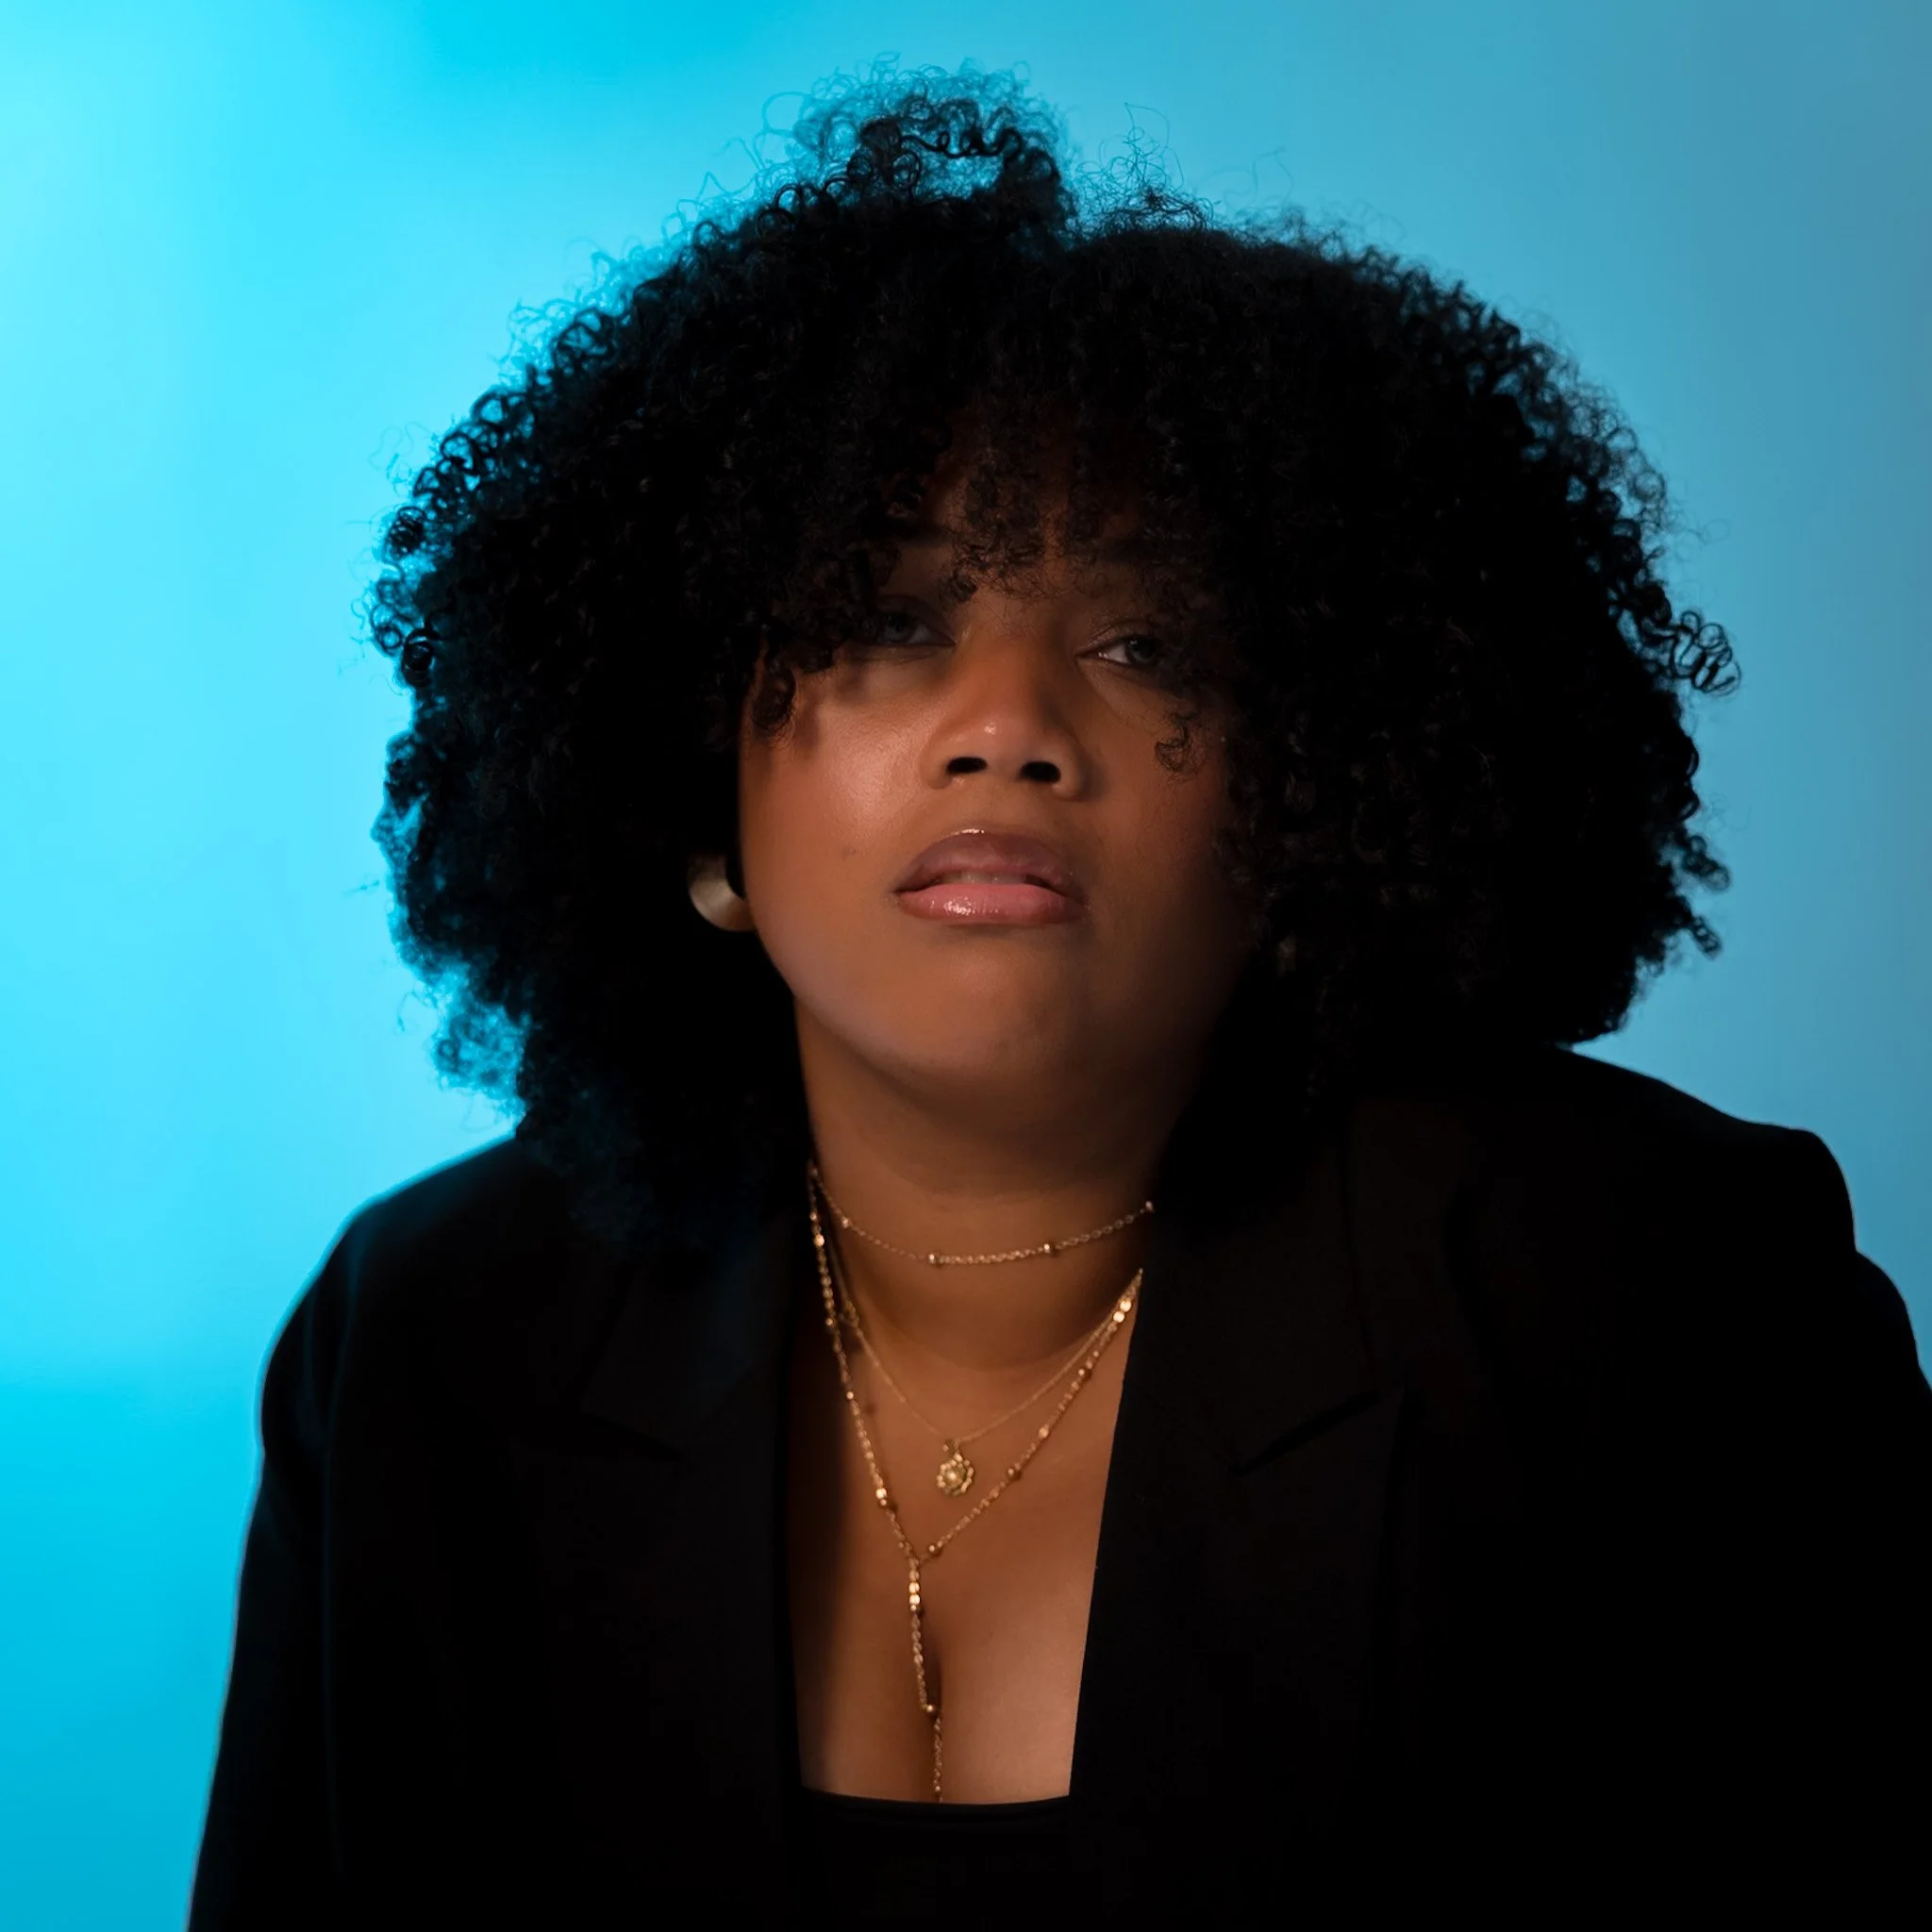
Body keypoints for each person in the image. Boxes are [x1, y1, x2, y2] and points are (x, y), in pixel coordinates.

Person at [187, 64, 1930, 1929]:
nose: (1008, 729)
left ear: (1312, 800)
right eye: (885, 624)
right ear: (698, 807)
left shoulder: (1649, 1302)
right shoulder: (434, 1342)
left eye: (1142, 641)